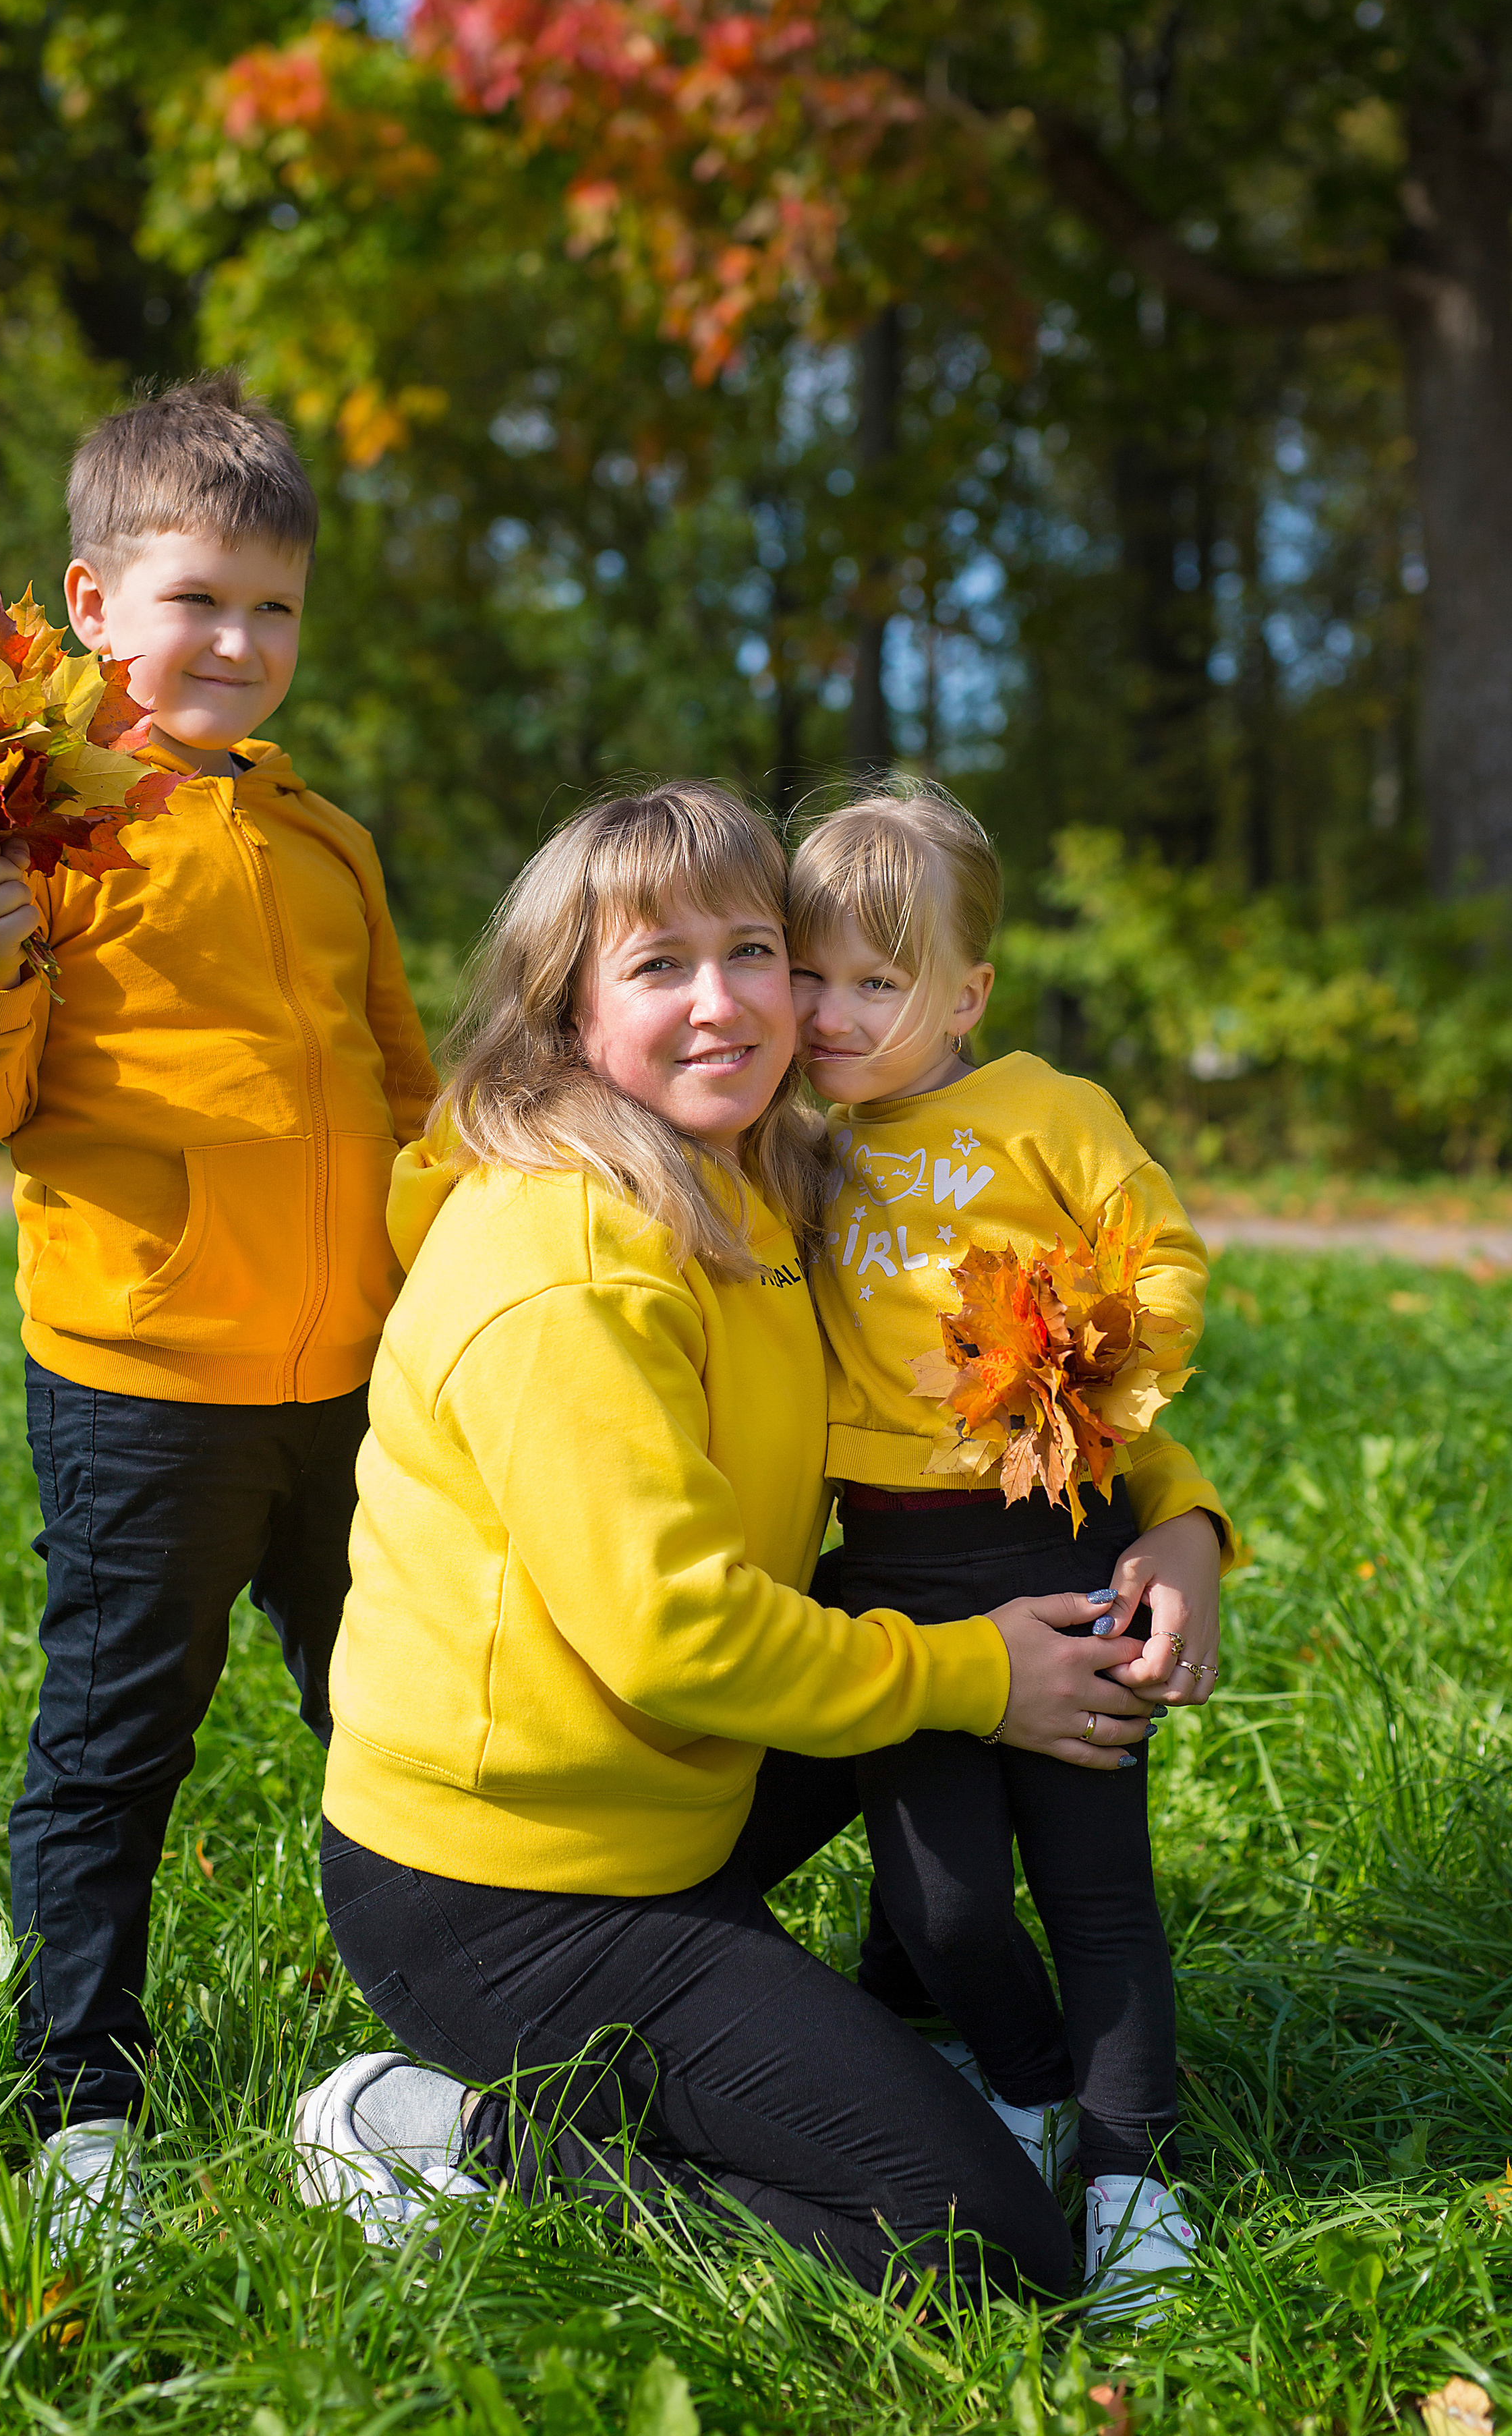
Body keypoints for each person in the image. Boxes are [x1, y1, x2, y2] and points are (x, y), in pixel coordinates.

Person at [301, 779, 1158, 2307]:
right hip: (510, 1888)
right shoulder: (566, 1262)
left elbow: (979, 1372)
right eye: (658, 966)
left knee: (923, 1610)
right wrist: (977, 1677)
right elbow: (674, 1633)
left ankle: (927, 2005)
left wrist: (1181, 1513)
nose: (723, 1002)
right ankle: (448, 2135)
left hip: (679, 1793)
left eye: (752, 950)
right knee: (982, 2255)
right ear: (565, 1010)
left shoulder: (766, 1182)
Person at [0, 373, 436, 2241]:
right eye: (197, 598)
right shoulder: (27, 831)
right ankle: (80, 2102)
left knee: (394, 1717)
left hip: (350, 1380)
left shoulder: (322, 836)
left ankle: (443, 2032)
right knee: (119, 1740)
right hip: (145, 1387)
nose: (239, 641)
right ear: (92, 602)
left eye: (274, 606)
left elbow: (400, 1081)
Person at [785, 784, 1231, 2315]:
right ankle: (1027, 2083)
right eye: (810, 975)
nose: (832, 1015)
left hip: (1056, 1534)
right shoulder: (802, 1147)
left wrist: (1099, 1365)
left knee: (1095, 1886)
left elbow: (1162, 1254)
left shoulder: (1048, 1111)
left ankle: (1129, 2176)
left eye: (877, 982)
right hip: (892, 1573)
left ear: (966, 995)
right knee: (944, 1903)